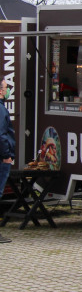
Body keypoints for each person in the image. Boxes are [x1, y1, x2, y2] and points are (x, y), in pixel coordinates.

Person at [0, 80, 14, 244]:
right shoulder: (1, 110)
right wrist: (6, 155)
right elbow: (1, 134)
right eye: (6, 87)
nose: (8, 90)